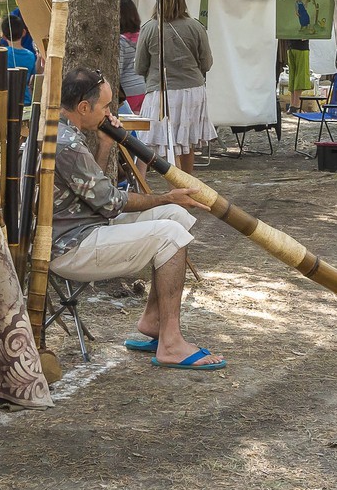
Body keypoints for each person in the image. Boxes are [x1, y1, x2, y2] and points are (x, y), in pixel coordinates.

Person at [51, 66, 224, 371]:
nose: (109, 113)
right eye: (105, 106)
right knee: (169, 231)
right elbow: (110, 201)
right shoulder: (67, 145)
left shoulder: (65, 133)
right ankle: (170, 343)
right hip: (70, 247)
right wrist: (165, 196)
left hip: (86, 228)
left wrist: (106, 144)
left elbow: (96, 195)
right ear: (83, 107)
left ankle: (154, 321)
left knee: (175, 216)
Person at [134, 0, 215, 175]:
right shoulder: (196, 27)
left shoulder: (149, 28)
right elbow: (207, 63)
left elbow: (139, 66)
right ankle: (188, 184)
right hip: (192, 89)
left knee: (165, 146)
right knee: (186, 143)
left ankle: (175, 190)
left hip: (160, 91)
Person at [0, 13, 39, 105]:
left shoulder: (0, 54)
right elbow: (33, 77)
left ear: (3, 36)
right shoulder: (31, 55)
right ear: (24, 32)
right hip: (25, 100)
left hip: (5, 101)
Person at [117, 0, 147, 113]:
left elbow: (117, 72)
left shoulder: (120, 42)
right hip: (143, 89)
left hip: (128, 92)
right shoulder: (142, 37)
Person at [283, 38, 312, 114]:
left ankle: (292, 105)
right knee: (300, 76)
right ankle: (296, 106)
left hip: (290, 47)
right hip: (301, 47)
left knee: (293, 76)